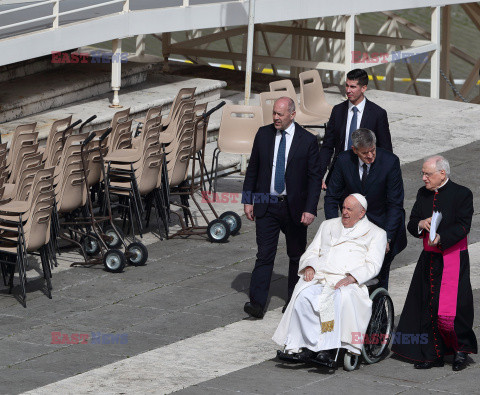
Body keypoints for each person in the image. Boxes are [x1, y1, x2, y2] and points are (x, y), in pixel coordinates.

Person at [273, 194, 386, 363]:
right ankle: (307, 344)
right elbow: (312, 251)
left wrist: (352, 277)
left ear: (361, 213)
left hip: (348, 281)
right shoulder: (328, 225)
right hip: (322, 275)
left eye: (349, 209)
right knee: (303, 297)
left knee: (333, 301)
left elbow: (373, 265)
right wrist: (310, 266)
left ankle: (326, 348)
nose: (345, 212)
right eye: (344, 208)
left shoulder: (376, 233)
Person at [392, 156, 477, 371]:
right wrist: (420, 224)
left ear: (442, 174)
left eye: (427, 174)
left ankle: (460, 351)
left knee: (455, 307)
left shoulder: (462, 194)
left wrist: (442, 238)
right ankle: (432, 354)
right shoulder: (423, 193)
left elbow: (463, 226)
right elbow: (412, 223)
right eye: (423, 173)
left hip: (453, 257)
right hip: (429, 259)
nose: (423, 178)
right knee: (427, 305)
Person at [242, 96, 322, 319]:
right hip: (266, 206)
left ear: (292, 115)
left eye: (280, 114)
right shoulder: (263, 134)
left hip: (294, 207)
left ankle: (294, 301)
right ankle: (256, 303)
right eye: (274, 113)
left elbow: (315, 178)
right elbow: (253, 168)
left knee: (296, 255)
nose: (276, 118)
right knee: (264, 255)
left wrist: (310, 208)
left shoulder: (307, 140)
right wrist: (248, 199)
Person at [324, 128, 406, 290]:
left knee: (377, 280)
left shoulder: (390, 162)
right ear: (354, 150)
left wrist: (387, 238)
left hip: (383, 225)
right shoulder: (343, 161)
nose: (370, 156)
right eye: (364, 153)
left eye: (372, 150)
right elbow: (331, 197)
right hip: (354, 229)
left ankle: (378, 313)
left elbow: (395, 204)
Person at [319, 68, 392, 189]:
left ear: (363, 88)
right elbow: (327, 145)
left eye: (353, 87)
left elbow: (386, 149)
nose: (348, 90)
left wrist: (384, 179)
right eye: (346, 86)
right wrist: (319, 175)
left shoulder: (378, 114)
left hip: (366, 176)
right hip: (339, 173)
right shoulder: (337, 111)